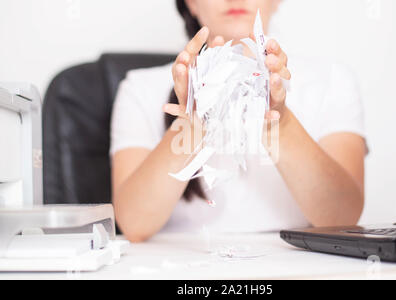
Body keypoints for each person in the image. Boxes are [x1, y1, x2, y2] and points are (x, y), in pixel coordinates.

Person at [110, 0, 367, 243]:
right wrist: (193, 121)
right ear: (191, 2)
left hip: (293, 264)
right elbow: (134, 224)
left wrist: (279, 122)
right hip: (182, 267)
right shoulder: (140, 89)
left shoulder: (332, 82)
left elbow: (342, 218)